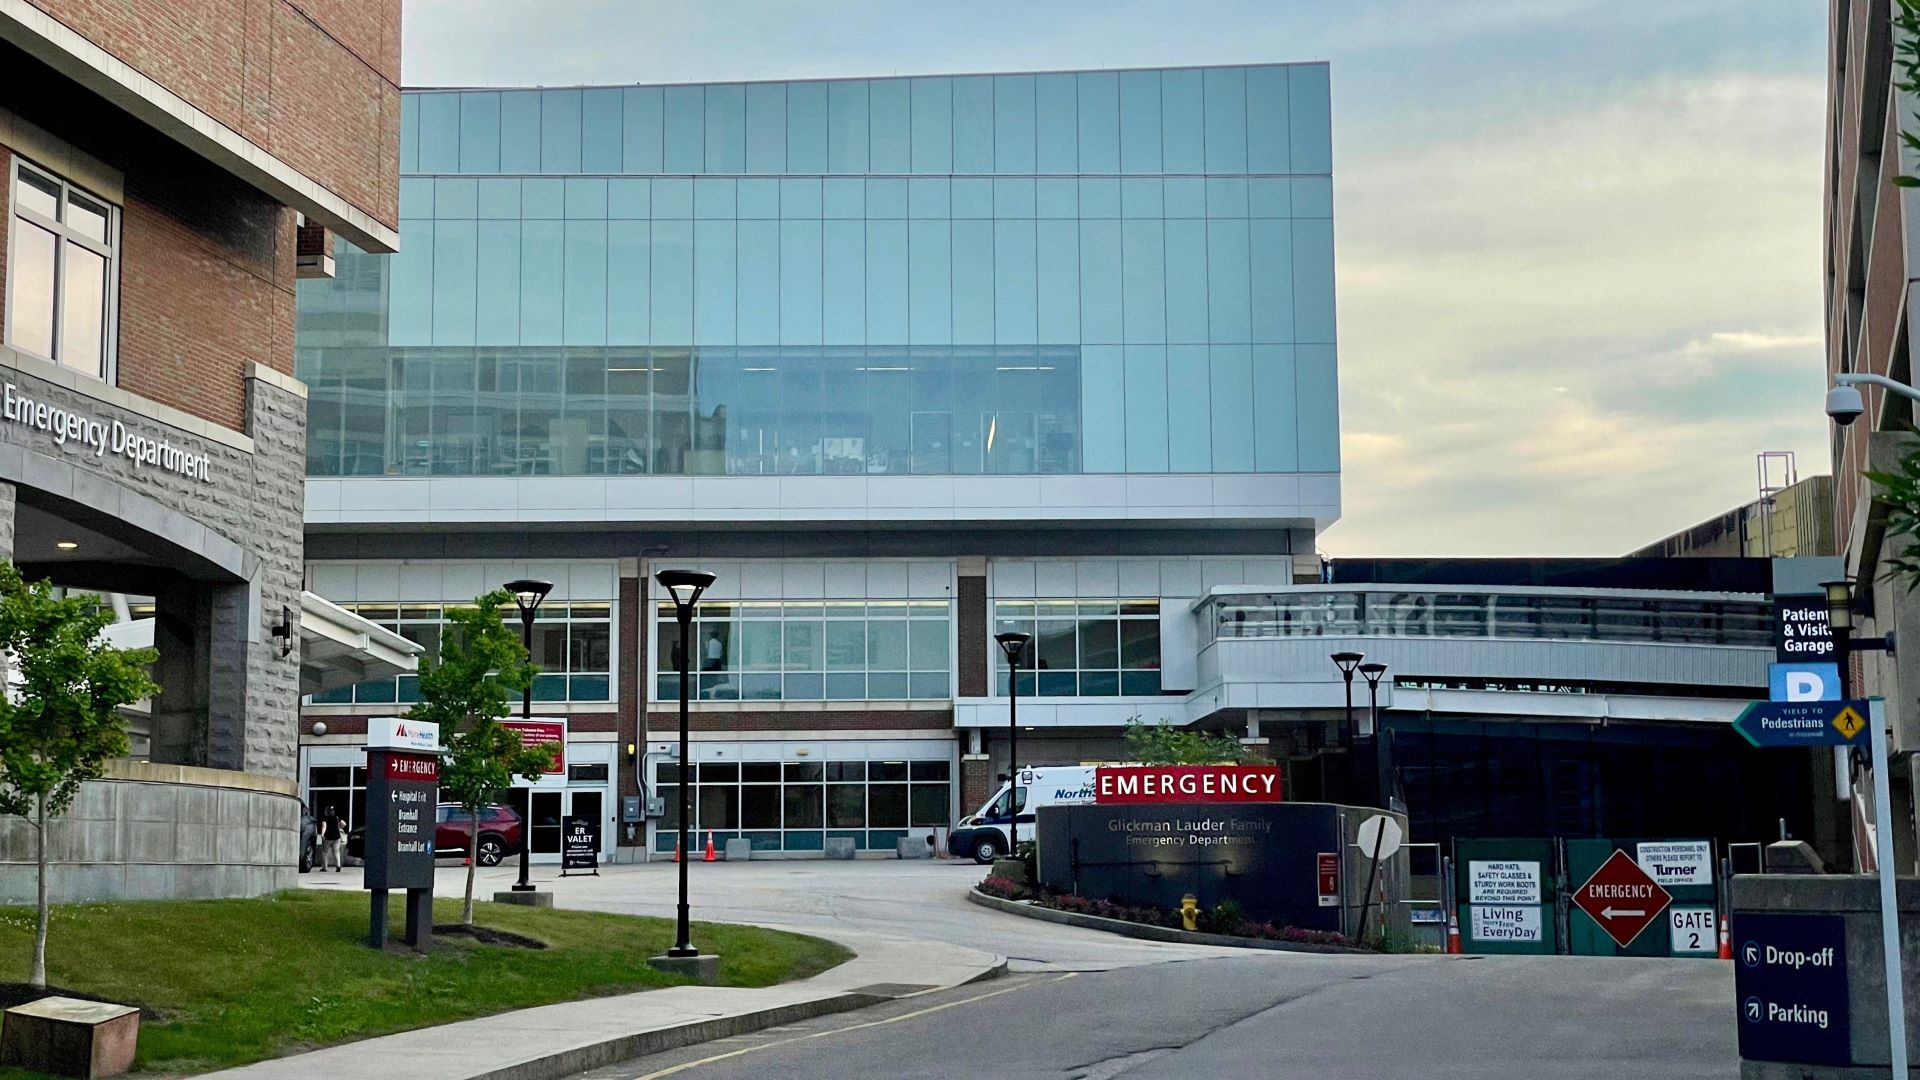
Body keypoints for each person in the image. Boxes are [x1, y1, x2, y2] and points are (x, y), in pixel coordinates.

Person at [320, 806, 344, 872]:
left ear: (327, 812)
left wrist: (322, 834)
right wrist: (339, 827)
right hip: (337, 837)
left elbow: (324, 827)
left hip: (328, 837)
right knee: (336, 851)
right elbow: (344, 824)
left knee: (324, 852)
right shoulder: (337, 818)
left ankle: (325, 867)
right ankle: (338, 866)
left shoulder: (325, 818)